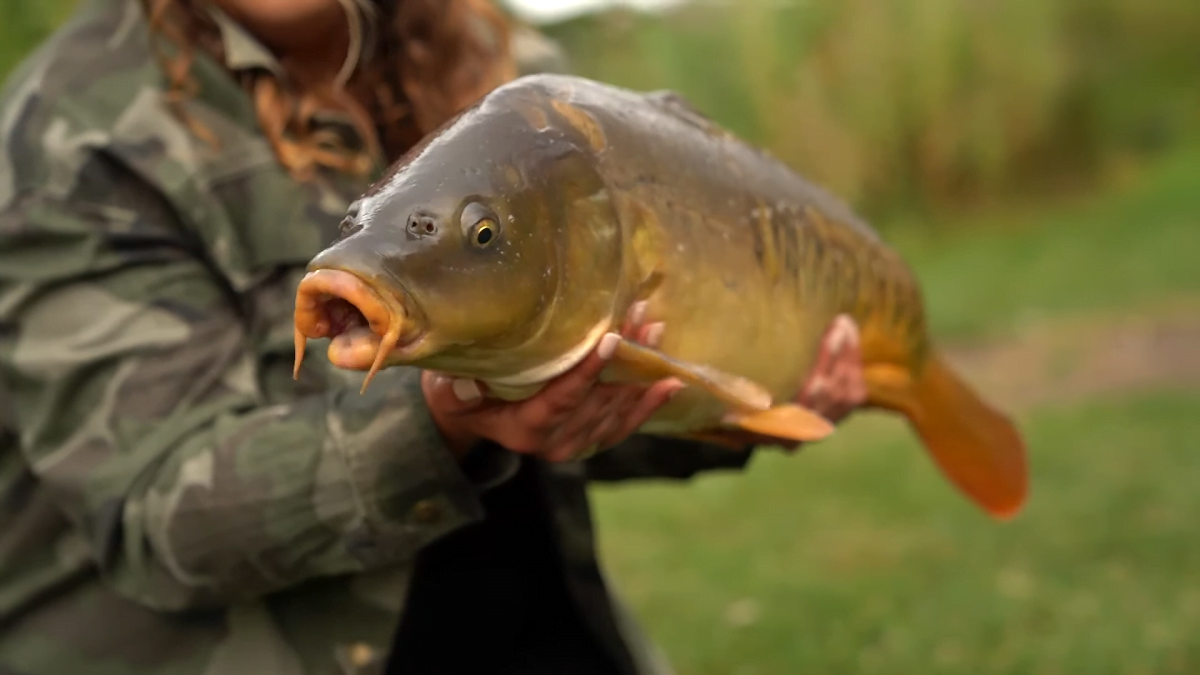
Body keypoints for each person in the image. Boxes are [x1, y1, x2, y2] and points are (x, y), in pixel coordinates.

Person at [0, 0, 868, 673]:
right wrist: (442, 425)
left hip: (540, 621)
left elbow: (581, 405)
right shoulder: (72, 129)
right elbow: (157, 513)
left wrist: (730, 406)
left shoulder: (493, 60)